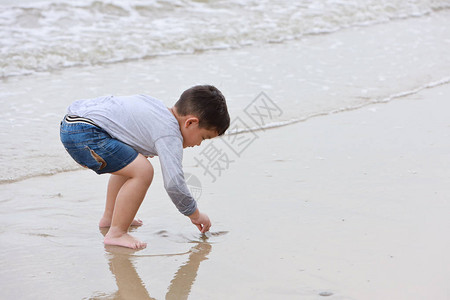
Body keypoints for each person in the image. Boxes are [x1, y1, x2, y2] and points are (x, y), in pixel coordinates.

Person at [60, 85, 230, 249]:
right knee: (143, 171)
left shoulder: (157, 108)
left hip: (72, 123)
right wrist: (195, 214)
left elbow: (123, 121)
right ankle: (117, 232)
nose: (199, 144)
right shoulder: (170, 134)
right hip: (85, 133)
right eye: (203, 137)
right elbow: (174, 183)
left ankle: (111, 218)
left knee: (130, 164)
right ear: (191, 123)